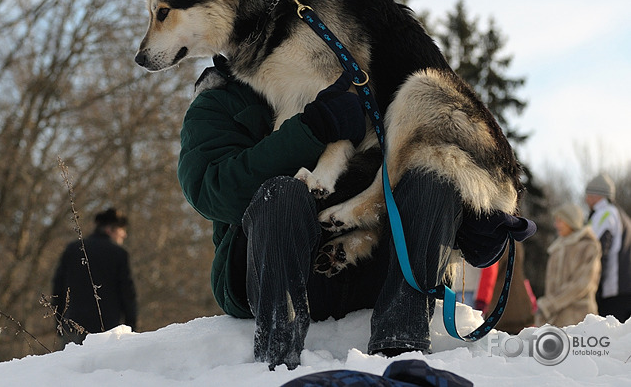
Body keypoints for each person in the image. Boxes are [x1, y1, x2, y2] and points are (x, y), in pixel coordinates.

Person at [177, 56, 535, 370]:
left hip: (375, 264)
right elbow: (212, 190)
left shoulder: (367, 80)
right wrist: (310, 131)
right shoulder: (219, 101)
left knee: (433, 172)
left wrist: (472, 215)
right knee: (281, 194)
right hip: (275, 266)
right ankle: (277, 355)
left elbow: (418, 168)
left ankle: (403, 342)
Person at [52, 207, 138, 346]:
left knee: (69, 367)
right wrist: (130, 327)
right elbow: (128, 294)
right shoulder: (118, 254)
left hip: (72, 329)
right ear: (109, 229)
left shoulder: (72, 249)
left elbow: (58, 288)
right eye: (122, 230)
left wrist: (59, 323)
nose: (124, 235)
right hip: (106, 332)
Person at [535, 203, 601, 327]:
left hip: (579, 318)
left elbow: (582, 284)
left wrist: (550, 304)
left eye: (560, 221)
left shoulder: (588, 246)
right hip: (555, 318)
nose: (556, 225)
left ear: (571, 221)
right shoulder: (556, 248)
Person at [585, 174, 631, 321]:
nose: (586, 199)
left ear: (596, 195)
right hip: (625, 289)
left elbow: (597, 252)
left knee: (609, 338)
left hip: (613, 291)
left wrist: (593, 287)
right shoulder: (623, 216)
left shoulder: (603, 214)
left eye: (588, 194)